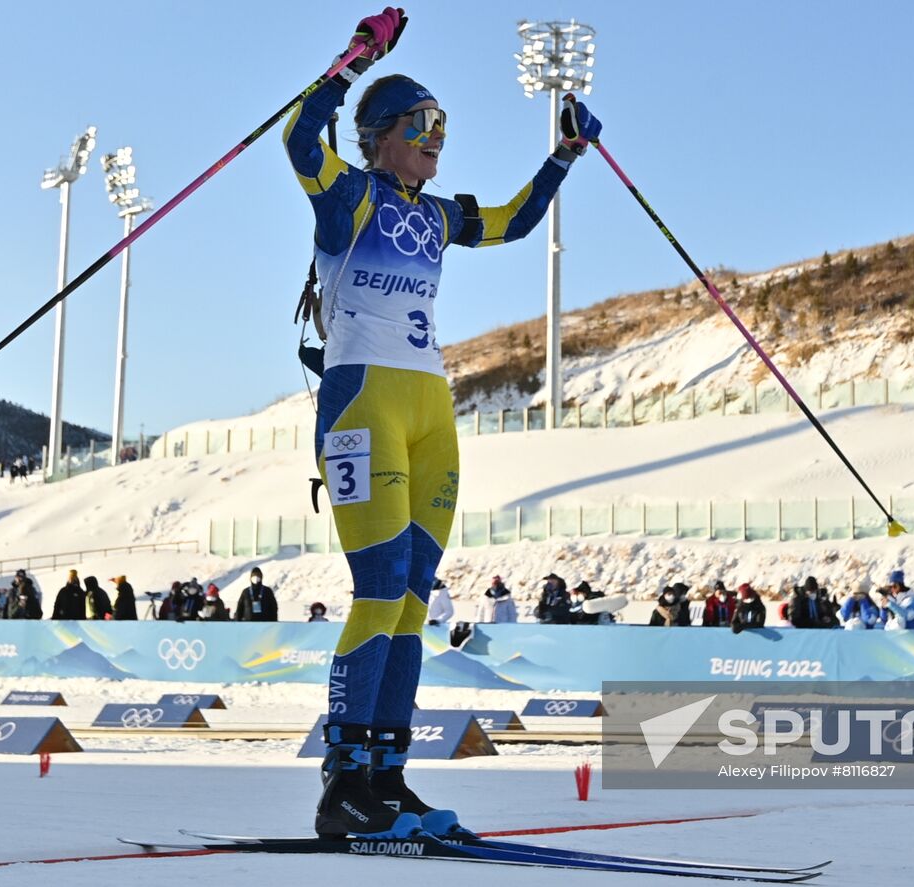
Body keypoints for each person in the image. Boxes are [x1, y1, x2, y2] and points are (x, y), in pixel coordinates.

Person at [288, 5, 600, 841]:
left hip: (432, 407)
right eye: (423, 124)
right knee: (379, 586)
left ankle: (388, 778)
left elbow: (515, 220)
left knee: (414, 601)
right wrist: (356, 58)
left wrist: (564, 152)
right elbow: (298, 137)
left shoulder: (436, 216)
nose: (436, 137)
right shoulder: (348, 198)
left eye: (443, 125)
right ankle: (344, 786)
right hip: (363, 403)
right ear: (381, 134)